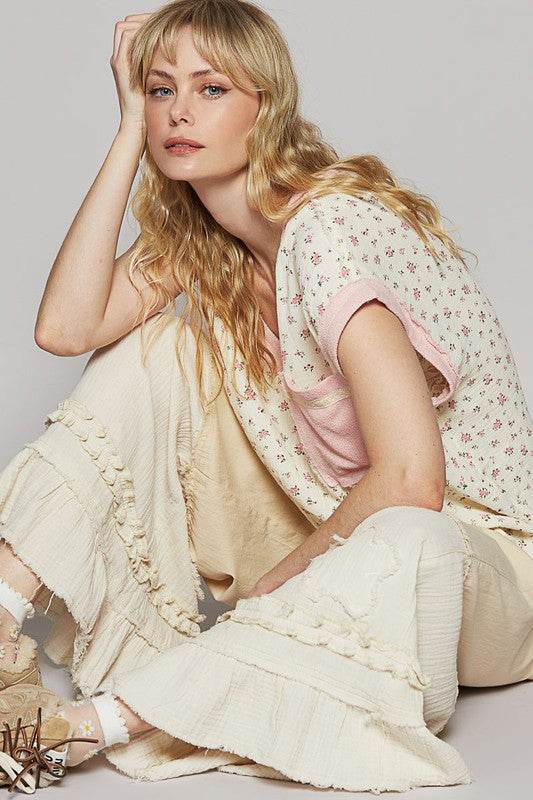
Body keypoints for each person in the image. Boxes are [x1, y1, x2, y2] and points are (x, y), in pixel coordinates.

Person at [1, 0, 532, 793]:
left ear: (267, 106)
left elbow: (411, 483)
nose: (179, 111)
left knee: (408, 535)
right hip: (326, 521)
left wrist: (278, 589)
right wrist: (126, 131)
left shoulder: (326, 229)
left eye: (211, 88)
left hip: (473, 573)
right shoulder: (203, 239)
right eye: (159, 89)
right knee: (156, 350)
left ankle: (78, 732)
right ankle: (0, 622)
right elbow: (66, 329)